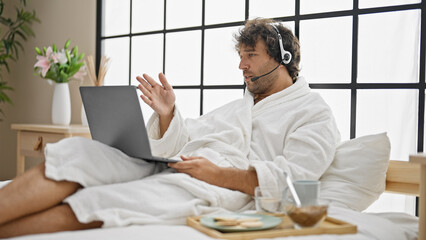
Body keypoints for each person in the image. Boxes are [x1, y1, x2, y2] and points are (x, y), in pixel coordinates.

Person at [0, 18, 340, 238]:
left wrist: (217, 174)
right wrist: (168, 116)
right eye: (240, 55)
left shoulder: (314, 114)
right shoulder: (242, 106)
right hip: (176, 163)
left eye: (250, 55)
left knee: (103, 200)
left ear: (281, 58)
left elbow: (295, 182)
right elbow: (189, 137)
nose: (241, 65)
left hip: (218, 187)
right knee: (79, 152)